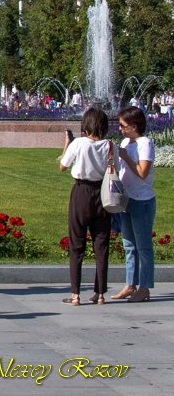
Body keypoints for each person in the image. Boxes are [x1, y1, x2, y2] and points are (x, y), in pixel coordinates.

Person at [59, 107, 113, 305]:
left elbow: (63, 166)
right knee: (101, 244)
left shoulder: (79, 143)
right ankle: (100, 293)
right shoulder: (109, 145)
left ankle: (75, 293)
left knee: (77, 243)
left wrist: (67, 144)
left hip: (81, 192)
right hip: (102, 193)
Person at [113, 105, 156, 303]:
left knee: (143, 246)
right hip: (127, 199)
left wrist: (126, 157)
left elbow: (142, 172)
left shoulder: (144, 143)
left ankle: (144, 287)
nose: (120, 128)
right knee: (129, 244)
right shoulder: (125, 142)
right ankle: (130, 284)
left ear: (134, 125)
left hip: (142, 200)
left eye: (123, 125)